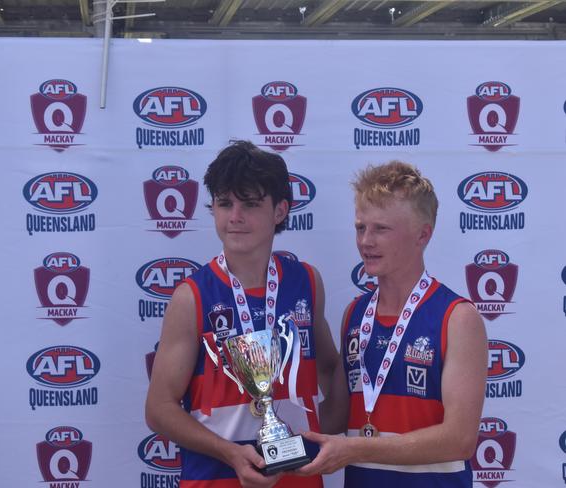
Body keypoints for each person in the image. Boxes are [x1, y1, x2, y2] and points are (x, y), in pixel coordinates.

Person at [145, 141, 339, 488]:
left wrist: (326, 438)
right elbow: (159, 408)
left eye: (249, 204)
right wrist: (229, 452)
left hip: (298, 480)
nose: (234, 216)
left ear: (280, 211)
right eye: (224, 203)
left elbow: (329, 368)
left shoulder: (307, 283)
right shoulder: (193, 296)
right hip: (217, 479)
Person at [296, 161, 487, 487]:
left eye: (381, 229)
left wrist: (355, 448)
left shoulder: (457, 317)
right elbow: (338, 415)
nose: (365, 241)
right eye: (360, 228)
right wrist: (270, 445)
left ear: (422, 234)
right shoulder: (355, 315)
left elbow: (460, 439)